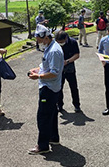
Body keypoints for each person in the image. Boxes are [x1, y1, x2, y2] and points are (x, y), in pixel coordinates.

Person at [28, 24, 64, 154]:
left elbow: (54, 72)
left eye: (39, 39)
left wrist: (37, 76)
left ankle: (42, 146)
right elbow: (46, 66)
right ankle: (53, 138)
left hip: (49, 88)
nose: (38, 42)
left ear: (46, 38)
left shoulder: (54, 51)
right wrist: (37, 70)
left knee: (43, 116)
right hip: (51, 87)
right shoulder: (50, 47)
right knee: (52, 114)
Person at [54, 30, 81, 113]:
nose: (60, 44)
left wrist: (67, 61)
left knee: (73, 87)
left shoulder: (72, 42)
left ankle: (77, 105)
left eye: (61, 42)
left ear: (66, 38)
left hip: (70, 68)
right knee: (59, 88)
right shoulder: (54, 43)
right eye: (58, 42)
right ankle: (59, 105)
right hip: (59, 69)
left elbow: (77, 55)